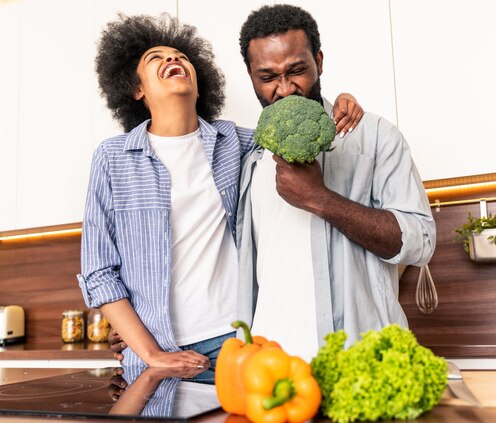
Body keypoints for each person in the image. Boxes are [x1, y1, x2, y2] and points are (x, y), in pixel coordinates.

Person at [78, 13, 362, 374]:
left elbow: (297, 122)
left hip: (237, 344)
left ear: (200, 86)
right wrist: (149, 352)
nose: (173, 60)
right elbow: (99, 271)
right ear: (137, 90)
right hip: (154, 348)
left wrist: (343, 99)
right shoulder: (112, 159)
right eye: (156, 58)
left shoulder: (239, 143)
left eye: (181, 57)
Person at [235, 4, 436, 361]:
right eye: (267, 77)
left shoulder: (373, 136)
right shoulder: (244, 155)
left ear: (319, 61)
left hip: (364, 360)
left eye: (297, 70)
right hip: (274, 368)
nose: (285, 89)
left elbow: (420, 243)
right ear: (250, 76)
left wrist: (320, 199)